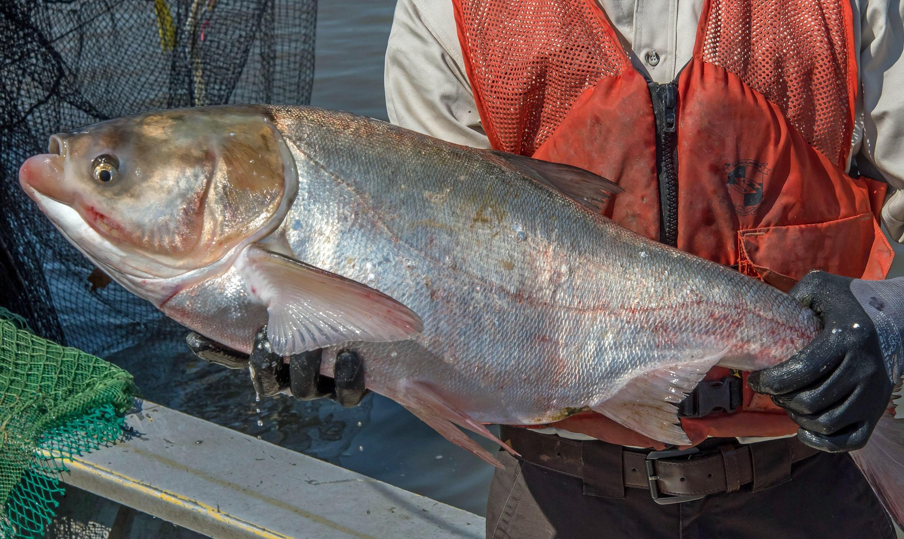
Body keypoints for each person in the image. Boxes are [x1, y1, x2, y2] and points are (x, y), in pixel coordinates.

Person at [189, 1, 904, 537]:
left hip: (814, 480)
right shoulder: (450, 13)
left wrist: (886, 321)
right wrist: (323, 331)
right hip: (557, 494)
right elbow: (419, 267)